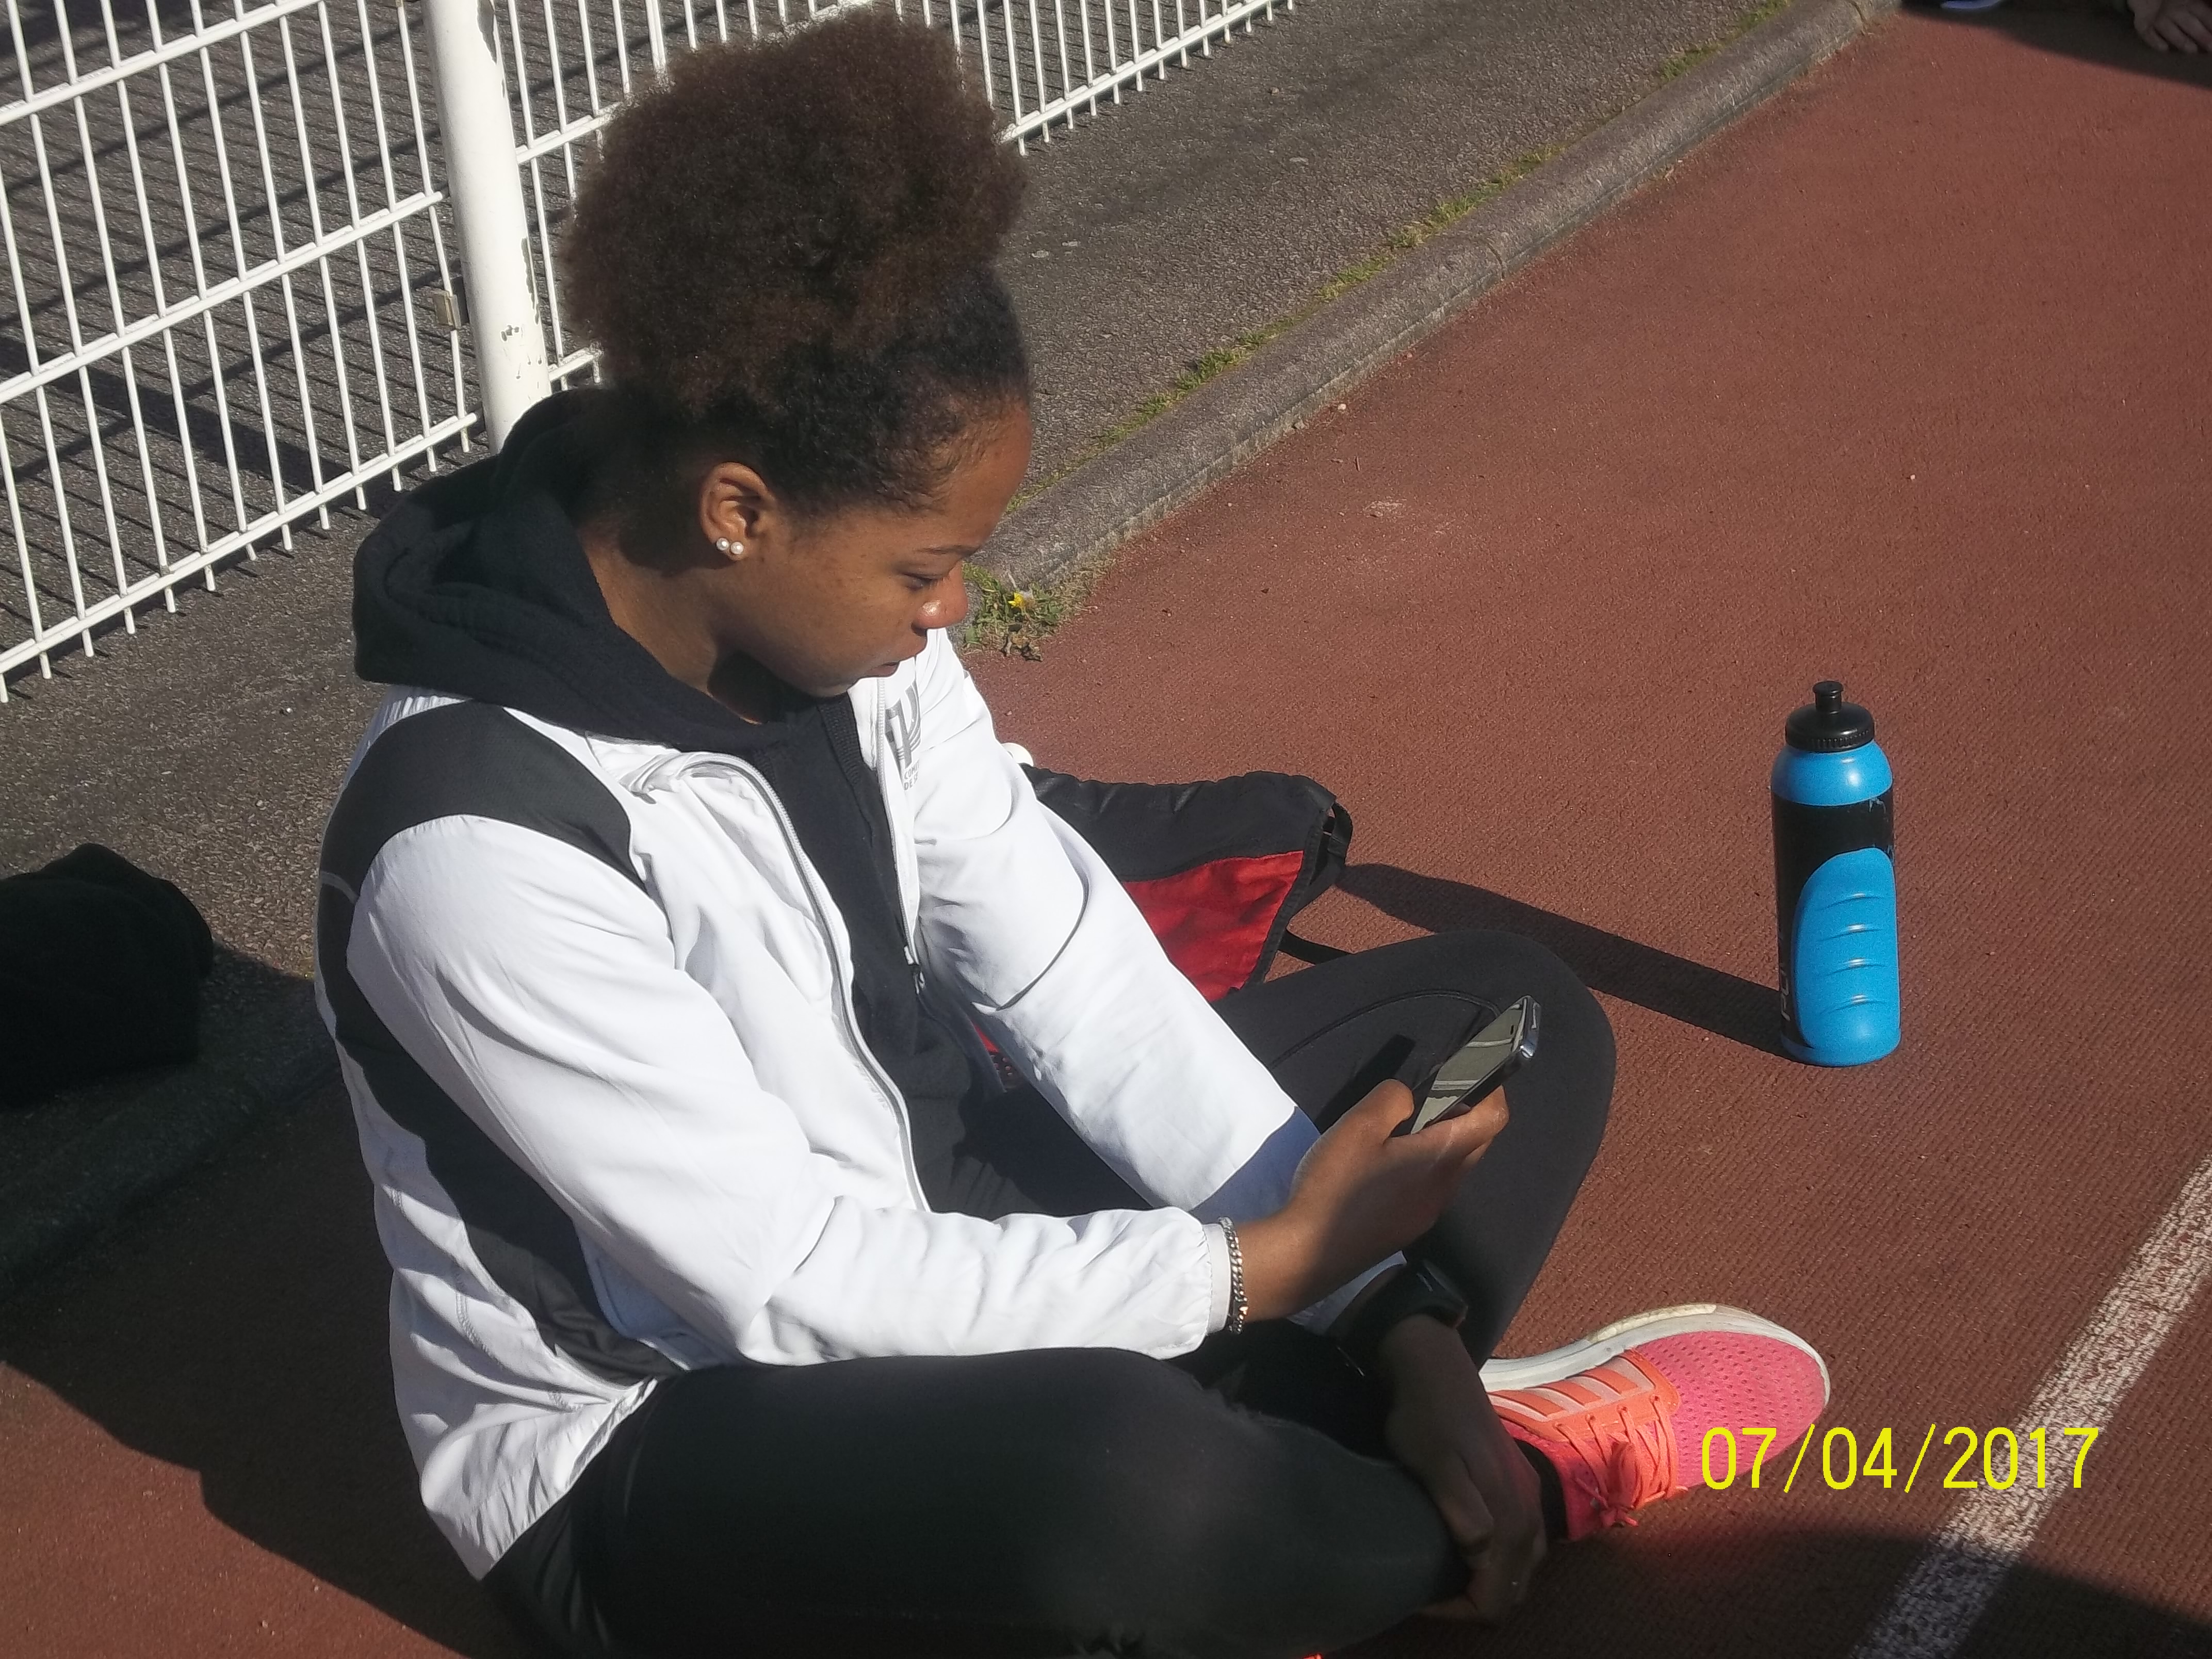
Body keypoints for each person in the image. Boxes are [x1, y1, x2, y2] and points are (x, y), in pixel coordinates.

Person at [316, 14, 1828, 1657]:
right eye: (924, 570)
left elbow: (1073, 980)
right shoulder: (473, 843)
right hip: (669, 1445)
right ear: (738, 511)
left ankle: (1318, 1498)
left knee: (1505, 1023)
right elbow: (788, 1283)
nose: (954, 611)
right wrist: (1248, 1275)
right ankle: (1490, 1490)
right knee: (1127, 1488)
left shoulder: (840, 639)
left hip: (944, 1218)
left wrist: (1379, 1303)